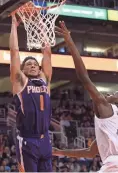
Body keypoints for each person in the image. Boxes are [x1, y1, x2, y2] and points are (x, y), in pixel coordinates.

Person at [55, 21, 118, 172]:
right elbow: (90, 152)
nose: (107, 94)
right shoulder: (110, 127)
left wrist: (70, 42)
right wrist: (59, 152)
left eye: (112, 93)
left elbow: (84, 78)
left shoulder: (107, 110)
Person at [9, 15, 52, 172]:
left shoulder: (45, 80)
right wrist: (14, 25)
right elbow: (14, 52)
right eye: (29, 64)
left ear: (39, 69)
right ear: (22, 69)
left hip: (45, 139)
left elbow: (47, 52)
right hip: (27, 139)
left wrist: (41, 23)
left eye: (35, 64)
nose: (33, 66)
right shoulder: (20, 81)